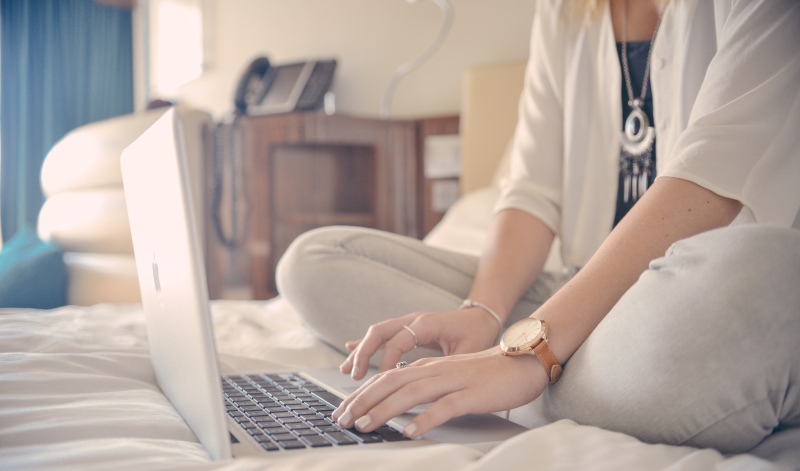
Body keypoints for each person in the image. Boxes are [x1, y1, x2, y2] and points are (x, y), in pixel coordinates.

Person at [277, 0, 800, 463]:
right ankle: (523, 373)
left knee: (770, 273)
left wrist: (531, 352)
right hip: (574, 290)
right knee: (316, 260)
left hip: (687, 298)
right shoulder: (564, 8)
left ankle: (518, 375)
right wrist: (482, 313)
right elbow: (531, 189)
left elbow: (710, 178)